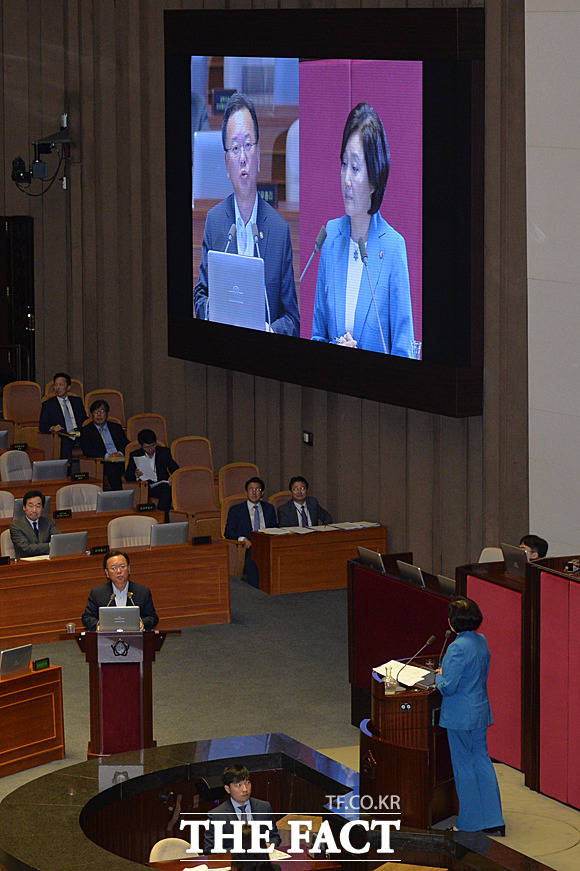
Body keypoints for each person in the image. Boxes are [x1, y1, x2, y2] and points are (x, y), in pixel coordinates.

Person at [311, 103, 414, 356]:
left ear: (374, 179)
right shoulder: (331, 236)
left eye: (355, 168)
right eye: (344, 164)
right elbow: (317, 335)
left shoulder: (393, 247)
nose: (346, 179)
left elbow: (403, 349)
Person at [194, 92, 299, 336]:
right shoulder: (215, 222)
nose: (242, 158)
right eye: (235, 147)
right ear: (226, 162)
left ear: (259, 156)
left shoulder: (279, 230)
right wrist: (213, 313)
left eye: (248, 145)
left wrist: (271, 330)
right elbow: (200, 295)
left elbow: (292, 318)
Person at [435, 597, 505, 835]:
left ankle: (470, 823)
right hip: (479, 710)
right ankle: (494, 819)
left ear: (453, 622)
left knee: (464, 766)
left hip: (460, 715)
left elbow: (448, 686)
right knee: (482, 761)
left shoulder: (456, 647)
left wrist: (438, 676)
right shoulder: (480, 640)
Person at [204, 764, 281, 855]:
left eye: (247, 783)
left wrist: (269, 845)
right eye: (239, 785)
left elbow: (275, 837)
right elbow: (210, 850)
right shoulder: (216, 816)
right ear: (227, 789)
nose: (245, 789)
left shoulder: (264, 807)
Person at [82, 549, 159, 631]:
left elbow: (153, 618)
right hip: (107, 638)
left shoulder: (142, 591)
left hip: (135, 638)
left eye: (122, 567)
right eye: (113, 568)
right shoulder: (97, 593)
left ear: (129, 569)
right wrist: (98, 626)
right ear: (107, 573)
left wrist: (142, 623)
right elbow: (87, 618)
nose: (119, 571)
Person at [224, 477, 277, 587]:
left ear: (262, 493)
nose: (254, 492)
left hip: (266, 544)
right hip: (248, 546)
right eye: (251, 489)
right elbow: (228, 532)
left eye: (257, 490)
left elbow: (274, 528)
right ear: (246, 492)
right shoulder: (236, 510)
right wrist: (241, 539)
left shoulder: (269, 508)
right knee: (253, 561)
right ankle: (257, 591)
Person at [125, 429, 178, 519]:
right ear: (141, 446)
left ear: (156, 443)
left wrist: (173, 477)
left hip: (161, 483)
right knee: (164, 492)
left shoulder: (164, 452)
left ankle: (161, 517)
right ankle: (162, 518)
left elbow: (175, 469)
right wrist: (135, 475)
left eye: (153, 446)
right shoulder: (135, 455)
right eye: (146, 447)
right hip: (146, 486)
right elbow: (128, 477)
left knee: (167, 490)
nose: (150, 449)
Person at [79, 399, 129, 490]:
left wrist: (120, 453)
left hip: (120, 458)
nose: (99, 414)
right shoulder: (86, 431)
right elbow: (87, 450)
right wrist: (107, 456)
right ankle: (118, 496)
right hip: (103, 461)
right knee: (113, 470)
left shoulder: (116, 427)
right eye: (96, 412)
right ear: (91, 415)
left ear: (107, 414)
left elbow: (126, 444)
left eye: (102, 411)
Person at [39, 372, 88, 460]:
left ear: (68, 387)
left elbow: (84, 420)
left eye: (61, 385)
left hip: (79, 434)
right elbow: (42, 426)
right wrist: (52, 428)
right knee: (65, 444)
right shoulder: (48, 404)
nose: (57, 388)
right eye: (56, 385)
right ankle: (67, 472)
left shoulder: (77, 401)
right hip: (64, 435)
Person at [9, 489, 60, 557]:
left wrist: (54, 545)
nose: (34, 510)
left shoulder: (49, 522)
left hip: (47, 561)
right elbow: (26, 548)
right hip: (26, 563)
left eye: (38, 506)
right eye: (31, 506)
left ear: (42, 508)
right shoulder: (16, 525)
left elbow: (58, 541)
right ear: (24, 508)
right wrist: (50, 545)